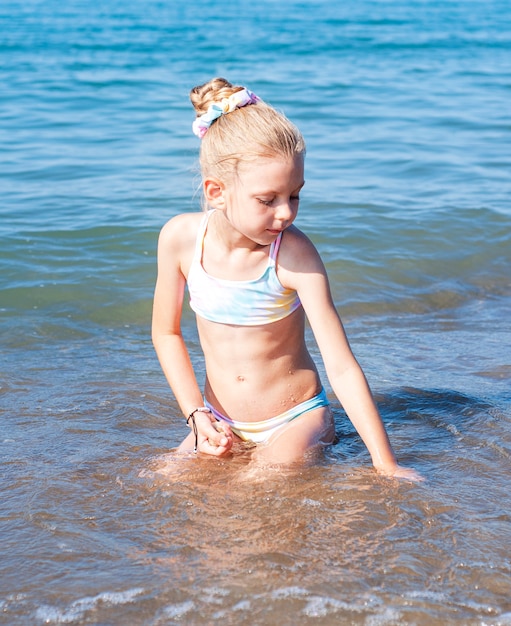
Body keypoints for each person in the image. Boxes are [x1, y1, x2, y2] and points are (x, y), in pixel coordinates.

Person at [152, 77, 422, 480]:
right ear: (216, 191)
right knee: (163, 480)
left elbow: (341, 366)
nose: (286, 213)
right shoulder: (180, 239)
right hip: (219, 417)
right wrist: (196, 416)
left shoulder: (292, 254)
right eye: (268, 200)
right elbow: (166, 334)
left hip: (297, 419)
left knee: (260, 485)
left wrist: (386, 464)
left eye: (295, 195)